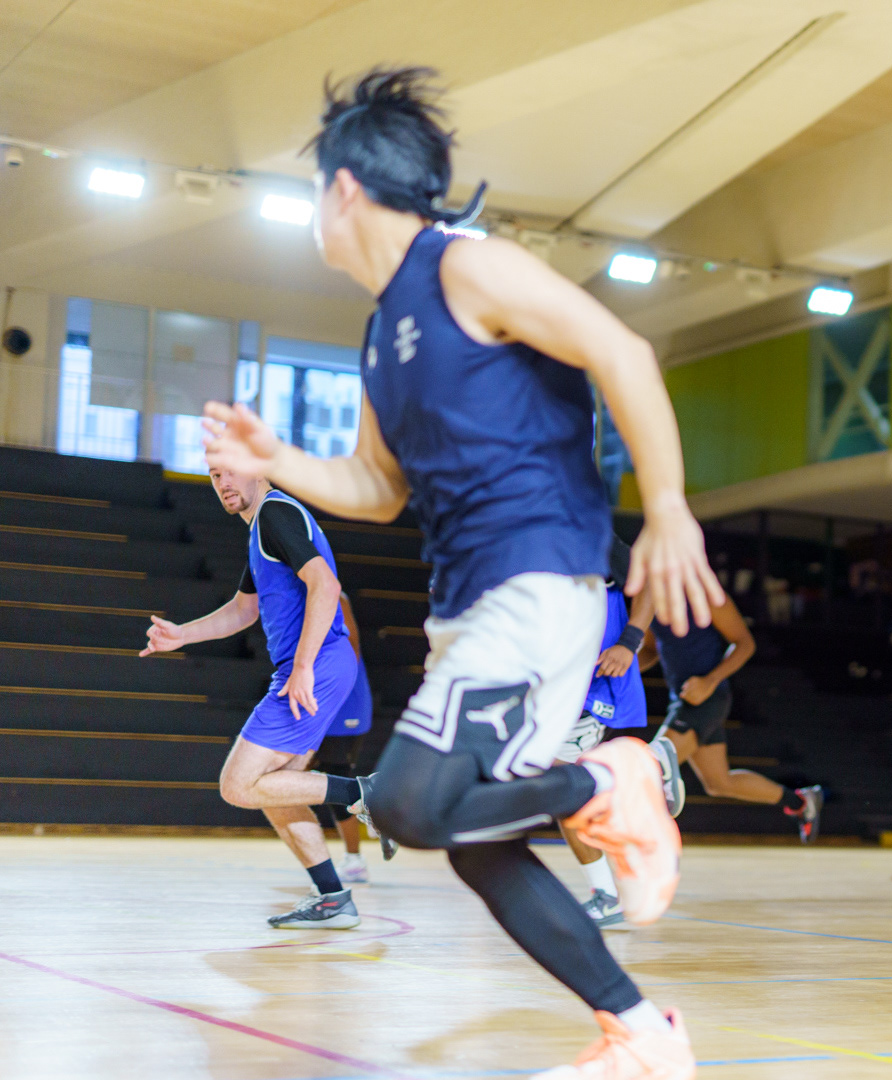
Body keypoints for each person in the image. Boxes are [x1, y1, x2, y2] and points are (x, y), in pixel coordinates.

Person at [200, 67, 720, 1079]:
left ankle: (608, 778)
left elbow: (622, 352)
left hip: (536, 580)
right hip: (469, 608)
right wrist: (280, 460)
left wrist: (666, 509)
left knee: (405, 803)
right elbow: (376, 487)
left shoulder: (467, 266)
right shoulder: (380, 333)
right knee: (473, 841)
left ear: (343, 188)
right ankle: (640, 1033)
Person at [141, 466, 380, 929]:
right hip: (317, 666)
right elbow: (244, 609)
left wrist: (304, 666)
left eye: (232, 470)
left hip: (315, 665)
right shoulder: (262, 527)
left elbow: (326, 585)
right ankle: (333, 897)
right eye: (215, 474)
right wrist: (182, 635)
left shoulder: (275, 514)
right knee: (275, 788)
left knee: (238, 785)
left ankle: (365, 793)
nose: (223, 482)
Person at [556, 534, 682, 931]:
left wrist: (629, 642)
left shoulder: (585, 531)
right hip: (547, 686)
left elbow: (649, 581)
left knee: (559, 785)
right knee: (563, 792)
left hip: (589, 686)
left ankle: (642, 766)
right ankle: (646, 764)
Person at [642, 586, 823, 843]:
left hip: (707, 699)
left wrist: (709, 681)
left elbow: (745, 643)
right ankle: (801, 802)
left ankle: (642, 845)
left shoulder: (707, 596)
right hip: (682, 700)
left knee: (650, 767)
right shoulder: (651, 599)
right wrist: (614, 668)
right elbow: (650, 650)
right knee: (719, 782)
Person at [311, 591, 377, 886]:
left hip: (342, 703)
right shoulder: (297, 597)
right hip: (320, 702)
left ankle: (355, 859)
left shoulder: (335, 596)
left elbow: (352, 649)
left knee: (335, 775)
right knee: (298, 776)